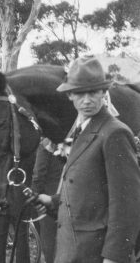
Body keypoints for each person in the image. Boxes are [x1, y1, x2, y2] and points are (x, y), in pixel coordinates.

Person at [32, 57, 140, 263]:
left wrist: (114, 257)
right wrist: (53, 202)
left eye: (93, 92)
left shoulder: (114, 133)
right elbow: (88, 192)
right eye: (80, 93)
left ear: (103, 92)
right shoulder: (80, 131)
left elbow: (127, 204)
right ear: (70, 95)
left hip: (96, 255)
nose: (87, 100)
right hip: (73, 251)